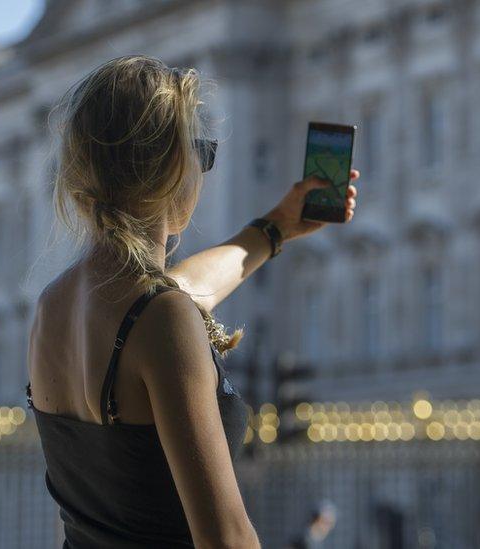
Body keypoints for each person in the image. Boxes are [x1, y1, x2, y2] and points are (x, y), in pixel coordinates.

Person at [26, 55, 358, 548]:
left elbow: (182, 289)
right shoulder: (159, 318)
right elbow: (226, 538)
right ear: (174, 168)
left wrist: (277, 226)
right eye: (201, 153)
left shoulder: (54, 307)